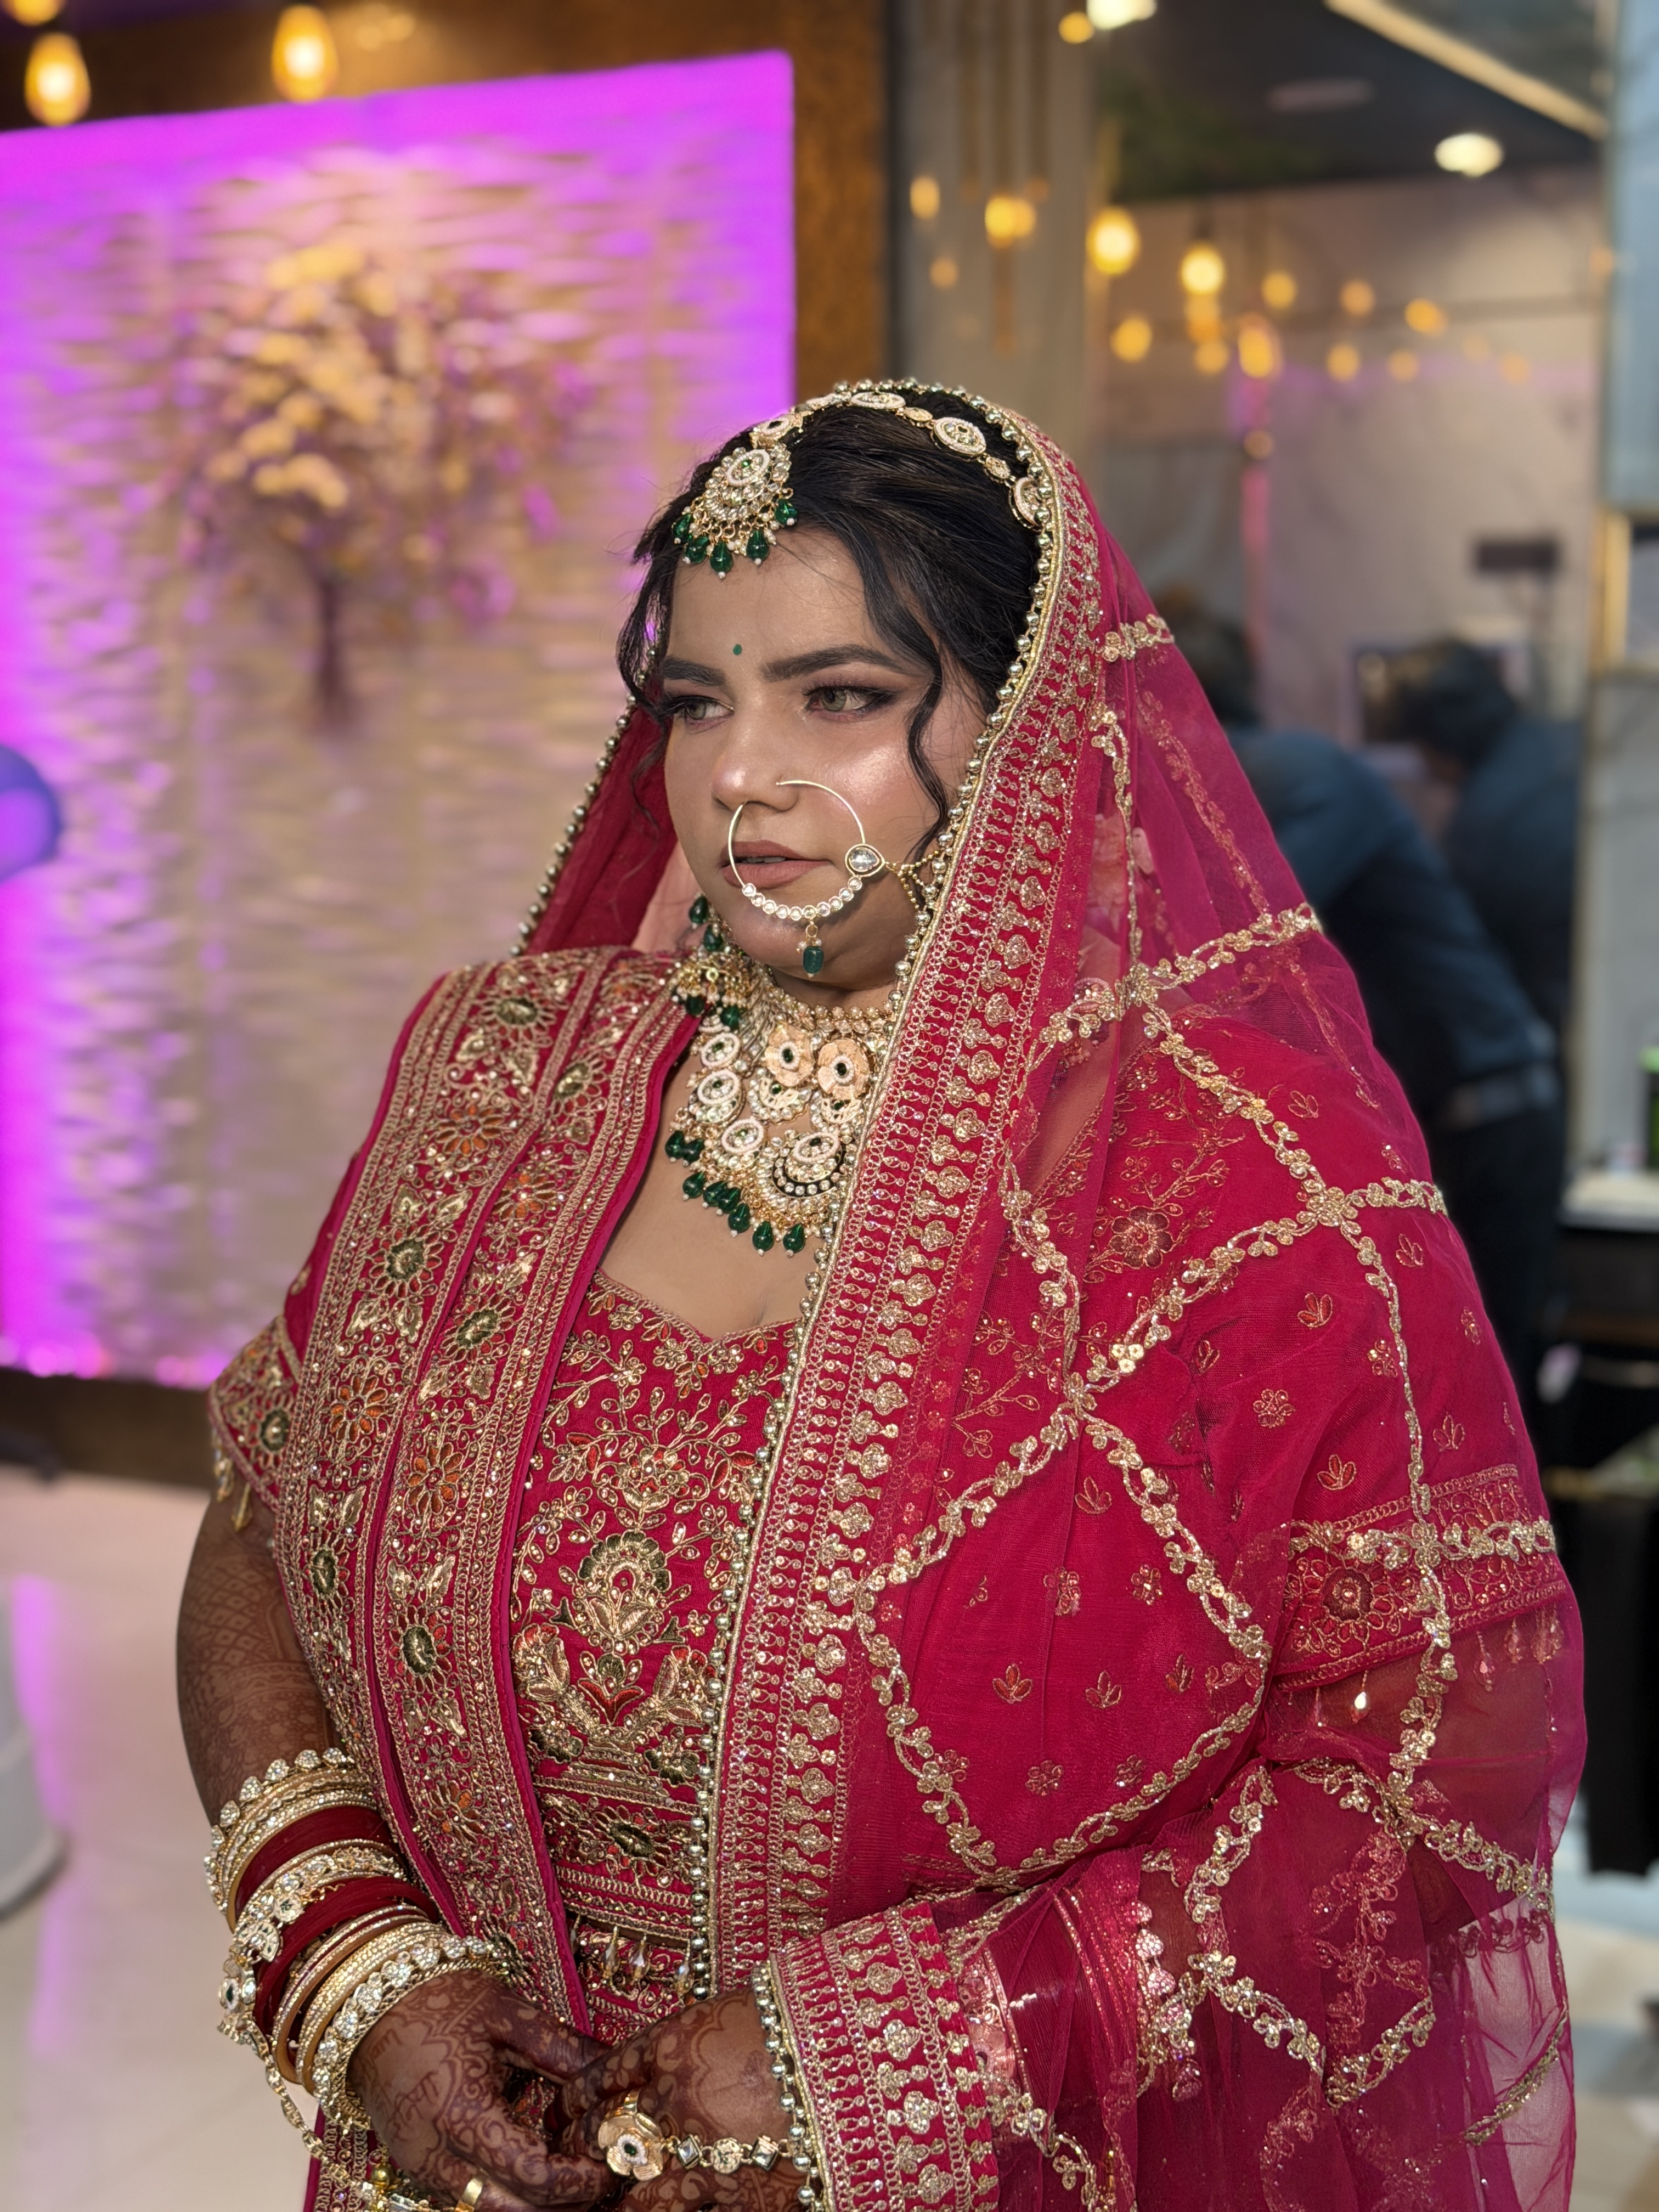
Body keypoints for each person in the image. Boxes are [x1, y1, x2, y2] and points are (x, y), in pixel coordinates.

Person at [178, 386, 1581, 2212]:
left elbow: (1439, 1765)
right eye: (695, 700)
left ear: (1031, 727)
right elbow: (261, 1521)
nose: (737, 775)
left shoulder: (1243, 1186)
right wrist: (363, 1965)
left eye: (837, 696)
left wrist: (900, 2058)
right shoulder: (493, 1074)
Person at [1162, 597, 1562, 1387]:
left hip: (1492, 1116)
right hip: (1457, 1112)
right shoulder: (1277, 777)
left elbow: (1239, 938)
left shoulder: (1296, 774)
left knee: (1484, 1386)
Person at [1389, 639, 1578, 1045]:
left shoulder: (1477, 833)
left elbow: (1481, 975)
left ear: (1436, 745)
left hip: (1576, 1024)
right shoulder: (1582, 736)